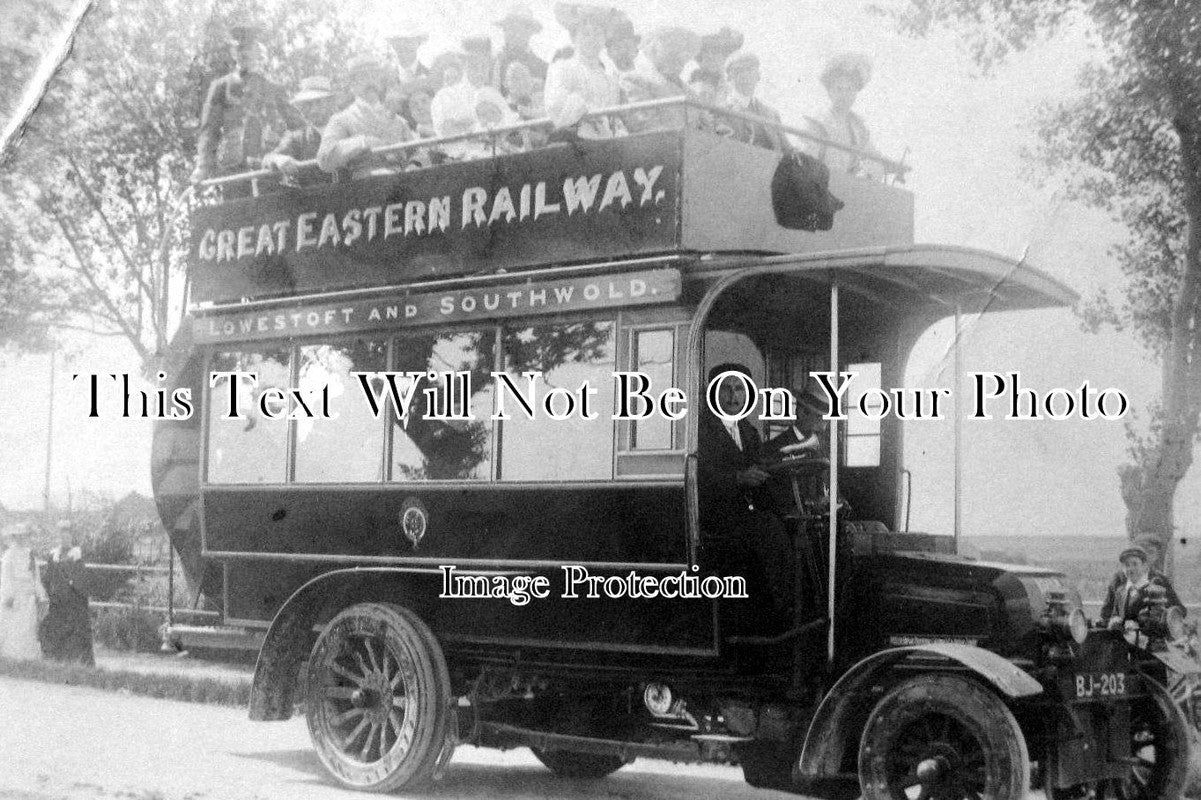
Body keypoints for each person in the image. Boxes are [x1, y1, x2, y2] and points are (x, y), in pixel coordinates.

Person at [697, 364, 795, 624]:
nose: (733, 396)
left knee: (790, 522)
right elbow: (699, 476)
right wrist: (738, 478)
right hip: (712, 516)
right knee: (768, 527)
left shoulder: (749, 431)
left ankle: (787, 606)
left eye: (739, 389)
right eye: (726, 389)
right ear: (713, 394)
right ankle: (781, 614)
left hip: (743, 513)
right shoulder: (700, 431)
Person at [191, 25, 295, 185]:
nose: (243, 53)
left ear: (258, 51)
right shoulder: (221, 87)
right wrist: (202, 166)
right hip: (233, 167)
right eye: (239, 48)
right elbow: (209, 130)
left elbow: (294, 127)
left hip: (268, 165)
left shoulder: (273, 88)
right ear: (233, 53)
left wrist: (284, 154)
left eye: (248, 48)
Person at [317, 56, 420, 179]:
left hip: (402, 188)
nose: (370, 82)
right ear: (352, 85)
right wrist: (362, 142)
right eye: (363, 77)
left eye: (374, 75)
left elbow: (417, 152)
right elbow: (324, 159)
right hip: (364, 190)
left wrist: (414, 165)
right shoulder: (341, 120)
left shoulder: (398, 121)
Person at [544, 3, 625, 139]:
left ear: (604, 38)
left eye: (597, 34)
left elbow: (614, 116)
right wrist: (587, 112)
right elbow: (556, 108)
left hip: (606, 140)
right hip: (573, 140)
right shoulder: (562, 68)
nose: (592, 39)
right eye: (586, 34)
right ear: (574, 38)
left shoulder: (610, 77)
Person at [804, 52, 886, 178]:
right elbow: (806, 158)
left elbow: (874, 159)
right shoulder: (817, 122)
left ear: (855, 93)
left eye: (849, 89)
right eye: (839, 88)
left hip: (848, 187)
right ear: (830, 92)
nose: (844, 95)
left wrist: (868, 172)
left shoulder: (860, 128)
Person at [260, 75, 338, 185]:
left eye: (319, 102)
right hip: (316, 199)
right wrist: (278, 159)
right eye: (307, 104)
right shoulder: (298, 138)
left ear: (330, 102)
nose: (313, 109)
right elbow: (268, 159)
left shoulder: (350, 127)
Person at [620, 26, 699, 133]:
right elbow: (644, 124)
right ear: (653, 51)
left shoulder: (691, 94)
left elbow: (706, 129)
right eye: (671, 52)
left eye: (686, 51)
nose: (680, 56)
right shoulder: (635, 80)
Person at [39, 520, 94, 666]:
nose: (64, 539)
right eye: (61, 536)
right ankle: (58, 659)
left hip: (73, 600)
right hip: (57, 600)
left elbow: (82, 577)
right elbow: (47, 577)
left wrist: (72, 586)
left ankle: (76, 661)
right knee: (55, 628)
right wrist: (48, 591)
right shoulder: (53, 556)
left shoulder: (77, 555)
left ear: (71, 537)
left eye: (67, 536)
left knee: (75, 631)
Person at [1099, 544, 1182, 629]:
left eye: (1135, 564)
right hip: (1121, 639)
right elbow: (1114, 614)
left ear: (1144, 566)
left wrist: (1138, 625)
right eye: (1127, 565)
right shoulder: (1120, 591)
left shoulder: (1153, 591)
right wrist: (1114, 620)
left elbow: (1156, 621)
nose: (1130, 569)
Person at [723, 50, 787, 151]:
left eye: (750, 70)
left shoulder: (772, 114)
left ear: (758, 76)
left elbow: (788, 151)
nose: (745, 76)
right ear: (729, 77)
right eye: (739, 71)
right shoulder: (721, 111)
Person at [0, 525, 46, 661]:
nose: (21, 539)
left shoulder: (30, 554)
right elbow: (6, 577)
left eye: (23, 536)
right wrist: (9, 595)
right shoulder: (9, 554)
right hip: (15, 595)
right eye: (18, 536)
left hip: (28, 596)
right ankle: (12, 656)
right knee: (15, 626)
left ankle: (27, 657)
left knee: (28, 626)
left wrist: (40, 594)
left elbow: (35, 577)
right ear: (13, 537)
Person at [493, 4, 547, 85]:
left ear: (530, 31)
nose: (512, 33)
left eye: (517, 28)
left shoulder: (543, 69)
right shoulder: (492, 64)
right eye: (508, 27)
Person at [694, 26, 743, 104]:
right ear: (701, 61)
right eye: (706, 53)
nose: (711, 57)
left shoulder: (729, 88)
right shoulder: (698, 86)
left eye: (717, 52)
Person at [604, 11, 641, 78]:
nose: (623, 51)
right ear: (609, 52)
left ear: (636, 49)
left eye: (628, 47)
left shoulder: (647, 71)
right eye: (617, 47)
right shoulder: (604, 74)